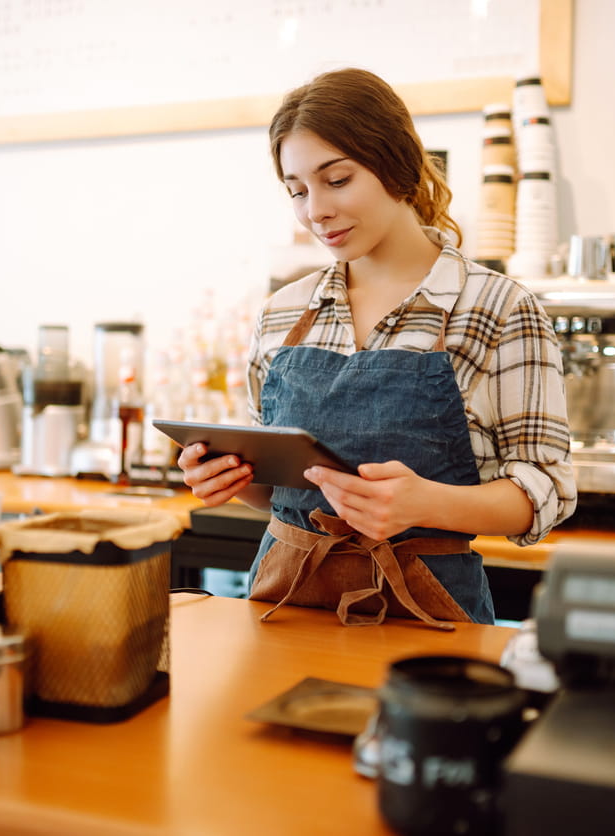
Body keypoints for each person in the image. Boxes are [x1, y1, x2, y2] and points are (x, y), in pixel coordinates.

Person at [178, 67, 576, 627]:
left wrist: (426, 503)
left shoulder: (500, 308)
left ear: (397, 164)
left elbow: (547, 490)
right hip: (284, 609)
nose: (315, 210)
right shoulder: (282, 313)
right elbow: (284, 493)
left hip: (426, 617)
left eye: (337, 180)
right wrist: (233, 479)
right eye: (297, 191)